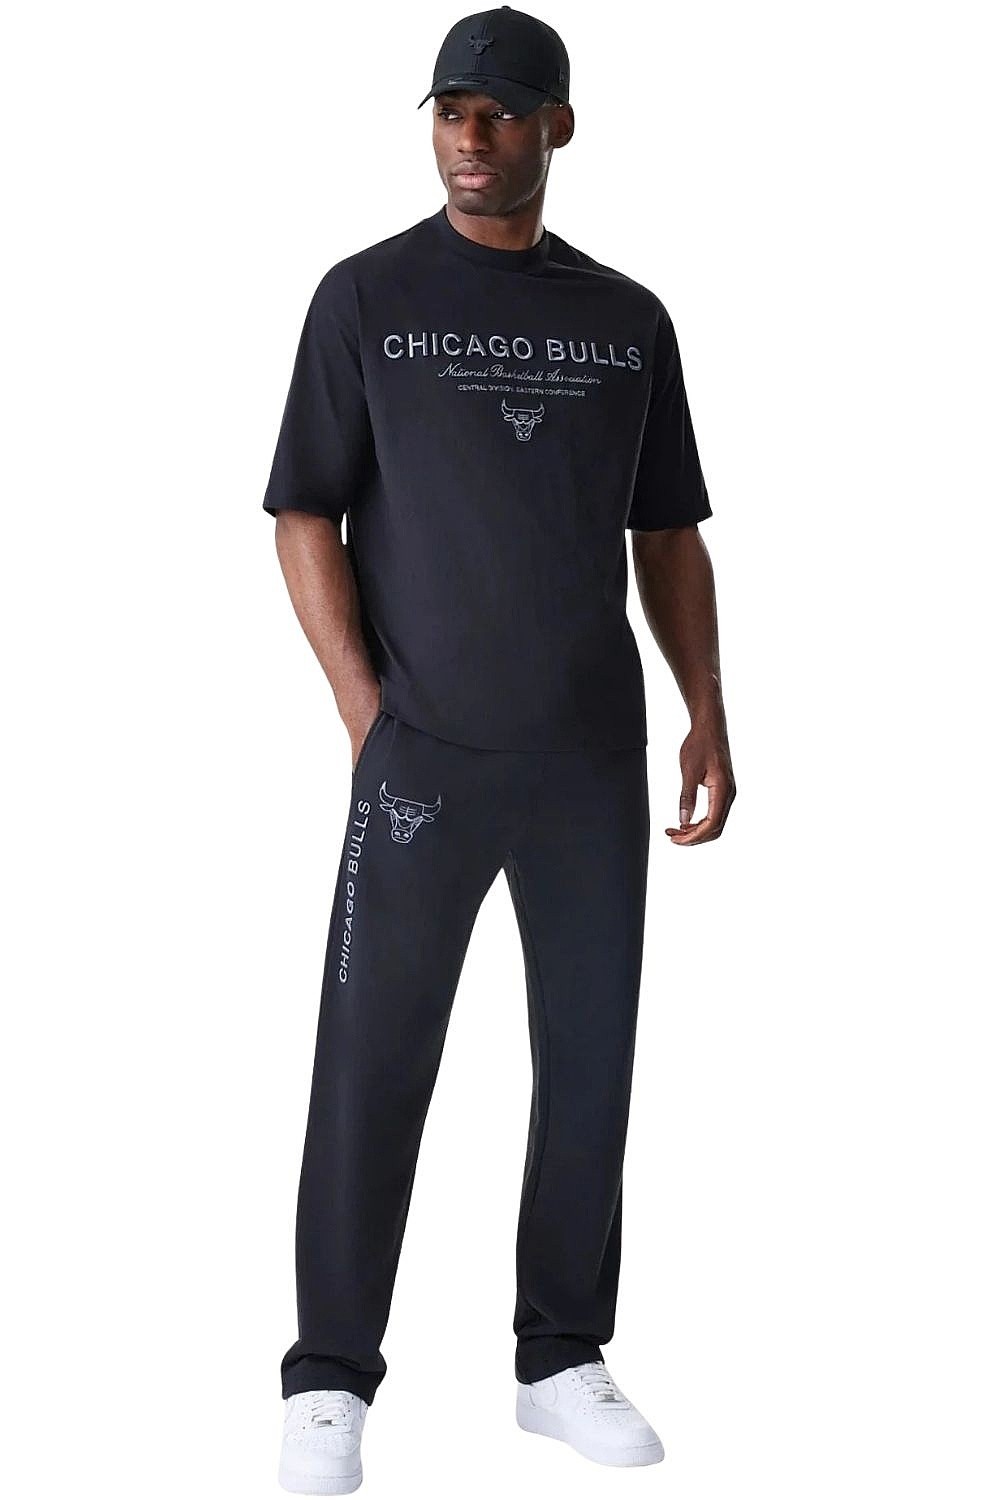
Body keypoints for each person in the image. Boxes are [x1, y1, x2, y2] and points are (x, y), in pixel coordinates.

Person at [263, 6, 736, 1491]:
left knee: (589, 1061)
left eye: (503, 113)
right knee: (372, 1063)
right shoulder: (366, 298)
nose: (471, 138)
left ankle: (560, 1358)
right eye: (452, 112)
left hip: (589, 756)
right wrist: (366, 717)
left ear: (558, 128)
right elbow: (303, 512)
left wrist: (708, 704)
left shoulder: (627, 320)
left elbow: (669, 531)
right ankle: (329, 1377)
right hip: (424, 755)